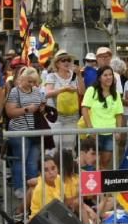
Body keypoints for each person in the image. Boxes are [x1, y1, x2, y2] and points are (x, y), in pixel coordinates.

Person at [5, 66, 46, 200]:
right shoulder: (14, 92)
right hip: (18, 131)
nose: (32, 84)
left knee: (33, 162)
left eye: (34, 82)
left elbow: (42, 106)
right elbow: (10, 112)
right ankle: (19, 188)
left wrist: (42, 107)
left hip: (34, 131)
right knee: (20, 160)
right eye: (29, 81)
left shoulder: (37, 91)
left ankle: (33, 190)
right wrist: (27, 109)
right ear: (22, 79)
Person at [80, 65, 123, 170]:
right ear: (99, 78)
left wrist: (118, 131)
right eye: (105, 75)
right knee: (93, 163)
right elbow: (84, 109)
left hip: (110, 134)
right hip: (95, 134)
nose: (109, 77)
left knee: (104, 163)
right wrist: (90, 128)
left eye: (110, 75)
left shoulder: (116, 94)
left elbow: (119, 114)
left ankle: (101, 185)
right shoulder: (91, 90)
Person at [43, 50, 83, 152]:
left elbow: (82, 92)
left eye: (68, 60)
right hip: (56, 118)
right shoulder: (51, 76)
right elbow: (47, 94)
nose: (66, 62)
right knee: (52, 149)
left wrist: (79, 75)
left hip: (72, 118)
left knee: (68, 150)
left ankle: (67, 168)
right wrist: (63, 89)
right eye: (63, 60)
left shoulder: (74, 76)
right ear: (57, 63)